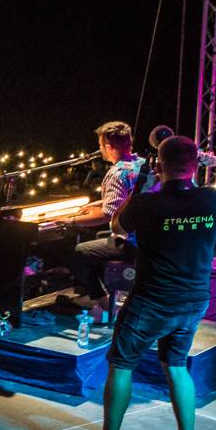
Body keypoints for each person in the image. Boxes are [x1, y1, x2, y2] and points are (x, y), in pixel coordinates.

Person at [66, 136, 216, 430]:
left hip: (152, 299)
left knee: (122, 363)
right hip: (195, 298)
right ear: (196, 165)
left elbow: (116, 225)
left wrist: (143, 189)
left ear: (157, 165)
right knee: (177, 364)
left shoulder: (147, 203)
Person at [64, 121, 146, 316]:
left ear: (108, 147)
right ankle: (103, 296)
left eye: (100, 145)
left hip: (133, 244)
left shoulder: (117, 173)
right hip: (150, 241)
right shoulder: (142, 164)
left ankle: (102, 302)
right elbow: (128, 200)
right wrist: (97, 203)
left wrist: (71, 221)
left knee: (78, 252)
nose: (100, 149)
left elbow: (108, 214)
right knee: (100, 243)